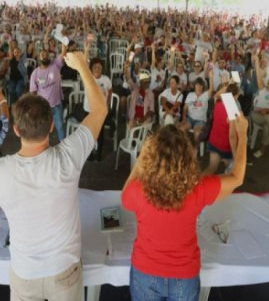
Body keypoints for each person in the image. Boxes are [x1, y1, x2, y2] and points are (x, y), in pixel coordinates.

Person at [0, 52, 107, 301]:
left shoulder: (1, 170)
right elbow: (100, 110)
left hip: (25, 273)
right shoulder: (67, 158)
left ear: (16, 130)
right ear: (52, 126)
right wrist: (82, 66)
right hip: (64, 271)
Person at [121, 116, 248, 301]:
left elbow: (125, 195)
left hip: (146, 271)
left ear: (151, 155)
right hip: (184, 274)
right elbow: (237, 177)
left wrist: (142, 154)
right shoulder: (198, 188)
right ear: (188, 156)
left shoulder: (139, 189)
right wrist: (242, 135)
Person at [29, 46, 66, 141]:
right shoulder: (35, 73)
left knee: (60, 127)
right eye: (42, 55)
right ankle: (44, 149)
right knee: (43, 129)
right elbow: (33, 91)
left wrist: (64, 41)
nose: (45, 56)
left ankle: (64, 147)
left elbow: (63, 52)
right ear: (39, 58)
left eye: (46, 55)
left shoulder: (55, 65)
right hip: (43, 107)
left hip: (56, 105)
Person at [204, 82, 240, 175]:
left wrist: (226, 87)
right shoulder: (232, 109)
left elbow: (216, 94)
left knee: (211, 168)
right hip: (225, 146)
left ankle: (197, 186)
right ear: (236, 96)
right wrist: (235, 153)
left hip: (214, 141)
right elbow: (232, 136)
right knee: (229, 174)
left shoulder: (218, 102)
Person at [84, 57, 114, 161]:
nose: (97, 69)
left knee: (100, 133)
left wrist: (108, 103)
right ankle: (90, 153)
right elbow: (83, 65)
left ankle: (98, 154)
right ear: (91, 69)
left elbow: (110, 90)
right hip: (89, 110)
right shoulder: (88, 78)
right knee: (90, 133)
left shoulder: (106, 79)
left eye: (99, 67)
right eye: (95, 67)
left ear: (102, 68)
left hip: (101, 111)